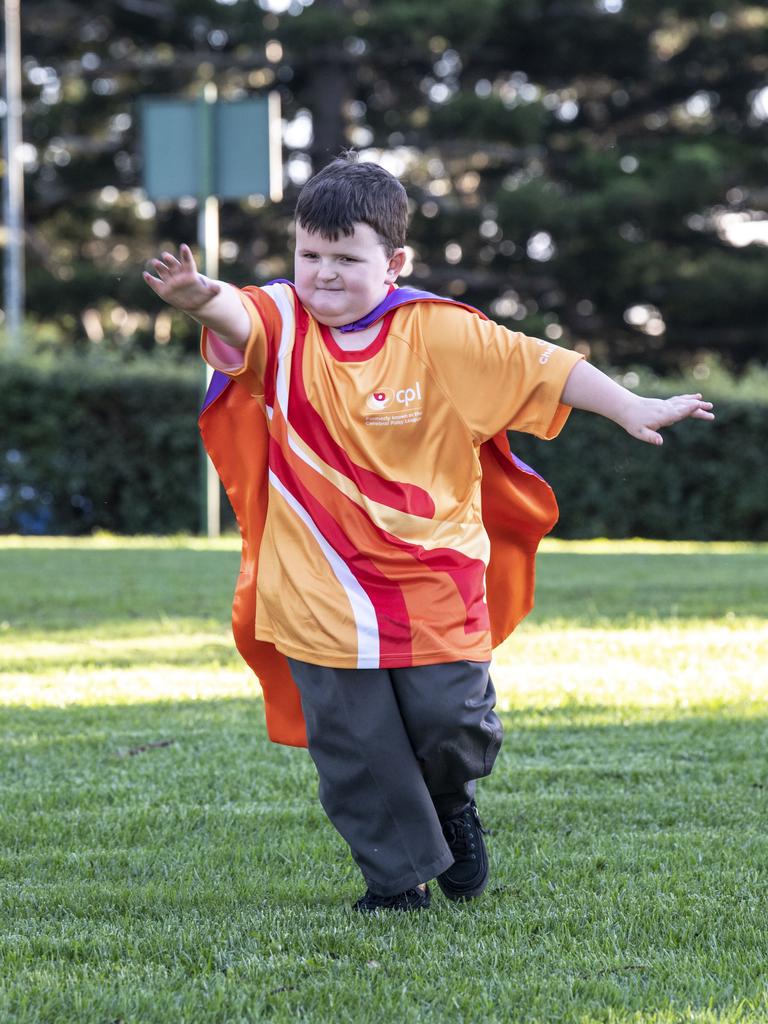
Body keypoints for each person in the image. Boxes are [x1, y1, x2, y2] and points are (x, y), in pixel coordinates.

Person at [143, 155, 714, 913]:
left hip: (432, 580)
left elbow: (541, 367)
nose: (324, 274)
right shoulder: (281, 323)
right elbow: (237, 315)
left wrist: (629, 405)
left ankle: (451, 799)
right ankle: (396, 882)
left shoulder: (438, 333)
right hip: (318, 589)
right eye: (310, 256)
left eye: (347, 258)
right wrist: (200, 298)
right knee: (356, 748)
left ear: (396, 262)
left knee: (452, 724)